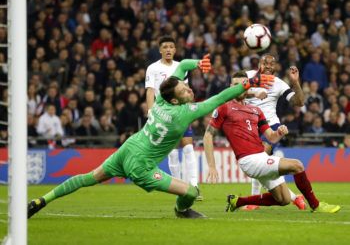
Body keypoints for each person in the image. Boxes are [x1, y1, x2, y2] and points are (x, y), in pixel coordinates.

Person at [28, 56, 274, 219]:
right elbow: (221, 97)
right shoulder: (184, 113)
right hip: (141, 165)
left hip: (128, 148)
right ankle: (182, 212)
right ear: (176, 99)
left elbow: (182, 67)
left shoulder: (159, 101)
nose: (189, 89)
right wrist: (250, 82)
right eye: (184, 90)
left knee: (88, 178)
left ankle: (42, 200)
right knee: (189, 193)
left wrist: (197, 62)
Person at [203, 72, 340, 213]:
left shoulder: (255, 110)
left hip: (261, 156)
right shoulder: (224, 108)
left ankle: (237, 201)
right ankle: (316, 205)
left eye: (243, 84)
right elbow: (208, 136)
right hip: (249, 160)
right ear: (231, 87)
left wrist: (279, 132)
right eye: (236, 85)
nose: (240, 88)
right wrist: (212, 166)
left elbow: (271, 137)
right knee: (297, 165)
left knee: (284, 199)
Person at [244, 54, 306, 210]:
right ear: (259, 64)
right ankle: (293, 196)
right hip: (248, 125)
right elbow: (232, 90)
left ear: (275, 67)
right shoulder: (248, 76)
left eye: (272, 64)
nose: (269, 66)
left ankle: (252, 202)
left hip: (270, 125)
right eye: (265, 63)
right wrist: (253, 92)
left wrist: (295, 83)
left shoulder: (279, 84)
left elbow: (299, 102)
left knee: (260, 158)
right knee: (262, 167)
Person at [145, 36, 201, 200]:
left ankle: (194, 185)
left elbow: (186, 89)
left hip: (180, 112)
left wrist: (190, 107)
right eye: (165, 47)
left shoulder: (180, 67)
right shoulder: (153, 68)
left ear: (175, 50)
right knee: (172, 151)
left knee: (189, 147)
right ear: (160, 50)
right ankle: (181, 188)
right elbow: (150, 91)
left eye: (171, 46)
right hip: (162, 114)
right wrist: (150, 111)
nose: (168, 49)